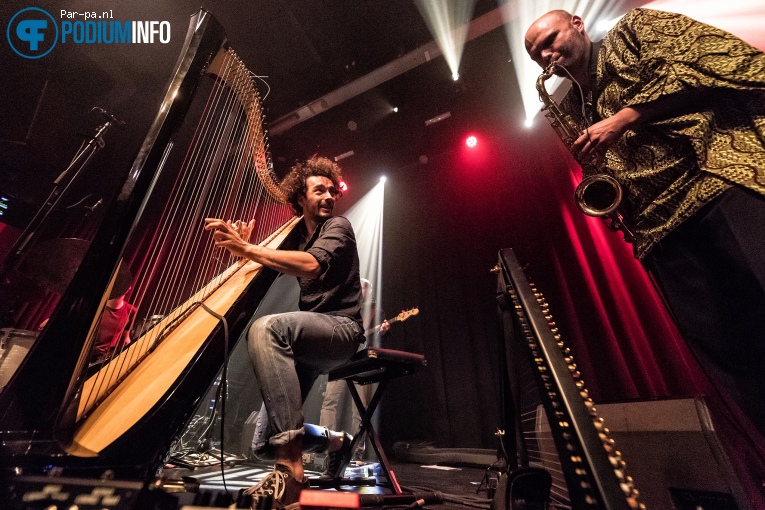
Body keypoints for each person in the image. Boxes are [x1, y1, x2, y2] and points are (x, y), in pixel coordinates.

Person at [525, 9, 765, 436]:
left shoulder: (633, 30)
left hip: (714, 184)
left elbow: (714, 61)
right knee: (731, 360)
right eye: (535, 54)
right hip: (660, 235)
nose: (545, 56)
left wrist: (626, 116)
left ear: (578, 24)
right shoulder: (567, 108)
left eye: (549, 40)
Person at [204, 156, 364, 509]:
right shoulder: (298, 239)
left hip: (341, 331)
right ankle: (338, 441)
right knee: (263, 442)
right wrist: (242, 254)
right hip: (309, 340)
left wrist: (249, 249)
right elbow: (265, 268)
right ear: (300, 200)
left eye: (331, 190)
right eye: (318, 190)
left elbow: (311, 266)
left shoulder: (338, 226)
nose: (328, 196)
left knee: (267, 328)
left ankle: (291, 472)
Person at [319, 278, 389, 461]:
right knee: (329, 402)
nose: (362, 289)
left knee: (360, 408)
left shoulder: (376, 312)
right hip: (340, 360)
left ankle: (356, 451)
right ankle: (326, 446)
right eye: (361, 286)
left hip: (361, 362)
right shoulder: (345, 307)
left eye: (366, 287)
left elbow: (381, 340)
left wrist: (383, 331)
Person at [91, 264, 136, 365]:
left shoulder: (130, 310)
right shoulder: (94, 306)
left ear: (129, 288)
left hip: (102, 362)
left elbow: (125, 339)